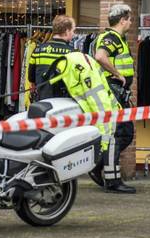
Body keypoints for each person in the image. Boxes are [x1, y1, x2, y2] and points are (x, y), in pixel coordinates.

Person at [49, 50, 121, 191]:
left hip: (60, 106)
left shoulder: (68, 59)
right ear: (69, 32)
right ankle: (108, 176)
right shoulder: (80, 59)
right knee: (111, 139)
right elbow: (97, 95)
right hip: (91, 109)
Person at [92, 3, 136, 194]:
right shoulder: (111, 37)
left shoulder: (118, 38)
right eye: (129, 19)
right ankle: (112, 179)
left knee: (122, 133)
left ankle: (101, 167)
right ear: (122, 20)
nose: (131, 22)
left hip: (117, 92)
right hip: (113, 91)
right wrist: (118, 74)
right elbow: (100, 56)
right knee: (119, 133)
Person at [28, 15, 75, 101]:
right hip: (63, 102)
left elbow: (31, 77)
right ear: (67, 31)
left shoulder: (38, 49)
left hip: (42, 101)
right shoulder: (72, 53)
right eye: (72, 30)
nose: (73, 33)